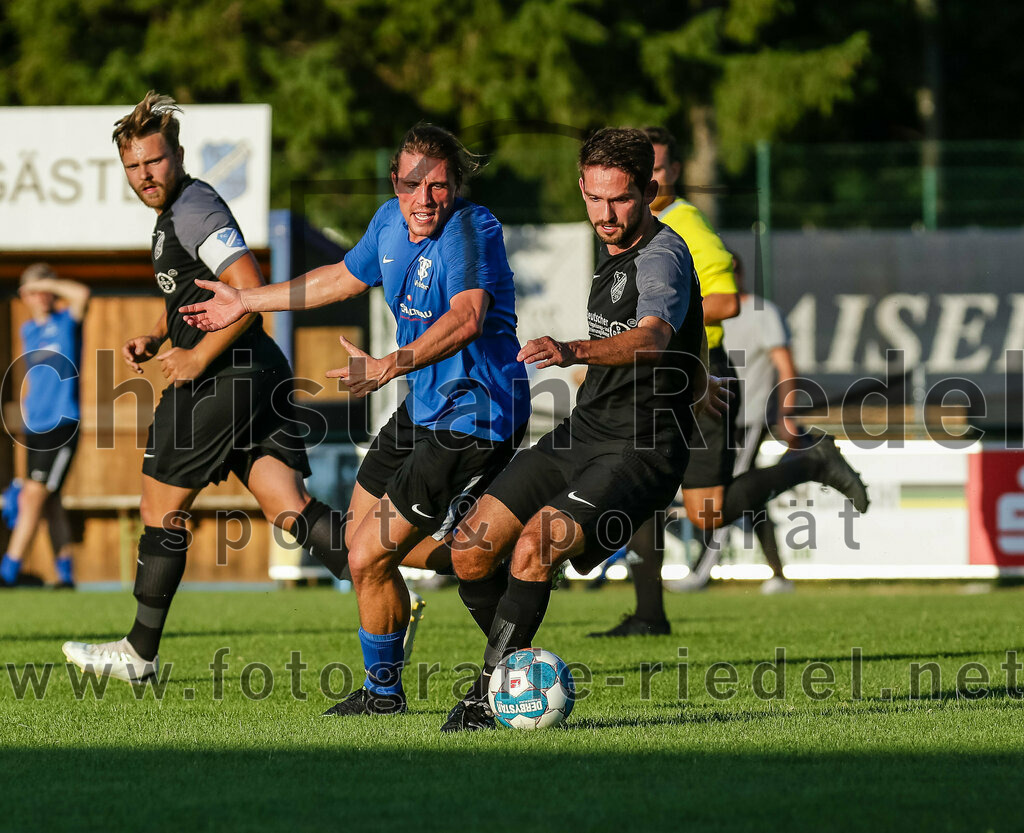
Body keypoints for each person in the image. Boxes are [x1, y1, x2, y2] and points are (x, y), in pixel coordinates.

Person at [181, 123, 531, 716]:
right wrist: (246, 300)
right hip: (424, 404)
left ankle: (442, 662)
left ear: (456, 186)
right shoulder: (389, 222)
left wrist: (390, 364)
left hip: (477, 414)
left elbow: (468, 317)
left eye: (439, 185)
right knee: (358, 542)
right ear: (395, 182)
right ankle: (476, 576)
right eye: (412, 184)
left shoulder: (472, 230)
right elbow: (340, 278)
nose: (425, 198)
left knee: (370, 555)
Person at [437, 126, 725, 732]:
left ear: (648, 191)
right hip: (584, 432)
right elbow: (684, 337)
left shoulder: (662, 255)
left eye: (620, 199)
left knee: (535, 545)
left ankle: (489, 697)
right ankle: (518, 673)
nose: (605, 214)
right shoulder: (612, 248)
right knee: (469, 550)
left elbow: (653, 336)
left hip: (642, 448)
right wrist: (698, 380)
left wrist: (573, 350)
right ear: (581, 187)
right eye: (594, 198)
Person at [62, 91, 348, 682]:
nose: (145, 175)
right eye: (133, 166)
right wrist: (158, 334)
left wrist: (195, 358)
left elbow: (247, 291)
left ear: (179, 156)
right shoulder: (176, 214)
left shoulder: (194, 209)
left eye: (154, 161)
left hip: (225, 375)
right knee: (289, 509)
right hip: (257, 371)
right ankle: (396, 576)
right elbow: (198, 295)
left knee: (159, 508)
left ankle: (139, 652)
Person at [587, 126, 870, 638]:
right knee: (638, 488)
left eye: (658, 167)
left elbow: (727, 300)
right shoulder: (624, 226)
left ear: (671, 174)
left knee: (707, 513)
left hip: (697, 375)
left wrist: (657, 317)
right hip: (647, 379)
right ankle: (649, 614)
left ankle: (811, 461)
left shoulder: (684, 223)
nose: (649, 177)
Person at [670, 253, 802, 594]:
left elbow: (785, 366)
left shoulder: (761, 312)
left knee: (721, 497)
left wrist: (786, 414)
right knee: (746, 496)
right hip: (709, 417)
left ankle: (700, 573)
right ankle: (779, 575)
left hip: (746, 418)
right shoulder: (701, 311)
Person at [0, 264, 89, 589]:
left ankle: (7, 571)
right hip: (35, 426)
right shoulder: (29, 331)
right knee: (51, 502)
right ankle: (65, 577)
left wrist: (47, 283)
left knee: (33, 495)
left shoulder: (67, 321)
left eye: (47, 290)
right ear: (24, 295)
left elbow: (81, 294)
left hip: (62, 422)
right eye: (35, 292)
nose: (42, 297)